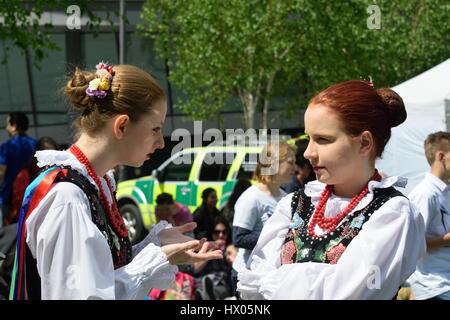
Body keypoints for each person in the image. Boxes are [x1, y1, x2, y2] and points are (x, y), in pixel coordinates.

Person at [9, 62, 222, 300]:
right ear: (121, 126)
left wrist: (156, 247)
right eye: (155, 129)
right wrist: (154, 260)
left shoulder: (97, 182)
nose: (161, 143)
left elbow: (101, 273)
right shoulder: (67, 198)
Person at [237, 80, 426, 300]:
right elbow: (253, 285)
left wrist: (281, 279)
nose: (308, 153)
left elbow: (346, 294)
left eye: (323, 140)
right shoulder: (295, 203)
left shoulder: (393, 213)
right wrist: (315, 280)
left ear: (364, 143)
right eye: (309, 138)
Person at [231, 141, 295, 296]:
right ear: (274, 163)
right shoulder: (252, 198)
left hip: (270, 275)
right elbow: (239, 238)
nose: (295, 168)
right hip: (249, 275)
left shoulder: (285, 197)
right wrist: (277, 237)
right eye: (291, 163)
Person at [407, 131, 450, 300]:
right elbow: (412, 243)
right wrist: (446, 240)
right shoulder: (425, 194)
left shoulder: (444, 191)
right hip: (436, 286)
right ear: (441, 157)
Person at [4, 137, 58, 225]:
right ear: (37, 154)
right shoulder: (26, 174)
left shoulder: (63, 172)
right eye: (45, 152)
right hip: (31, 219)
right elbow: (19, 200)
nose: (50, 156)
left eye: (53, 152)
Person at [0, 112, 37, 227]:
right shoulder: (35, 144)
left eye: (8, 124)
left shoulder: (7, 146)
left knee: (11, 233)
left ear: (14, 125)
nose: (6, 128)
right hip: (34, 194)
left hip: (11, 197)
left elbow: (1, 172)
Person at [191, 216, 234, 300]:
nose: (221, 235)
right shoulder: (205, 247)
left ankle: (208, 295)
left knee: (217, 291)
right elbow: (195, 268)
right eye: (217, 232)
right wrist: (212, 250)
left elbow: (235, 265)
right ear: (211, 233)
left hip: (221, 283)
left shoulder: (230, 248)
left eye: (224, 232)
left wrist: (229, 255)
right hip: (203, 282)